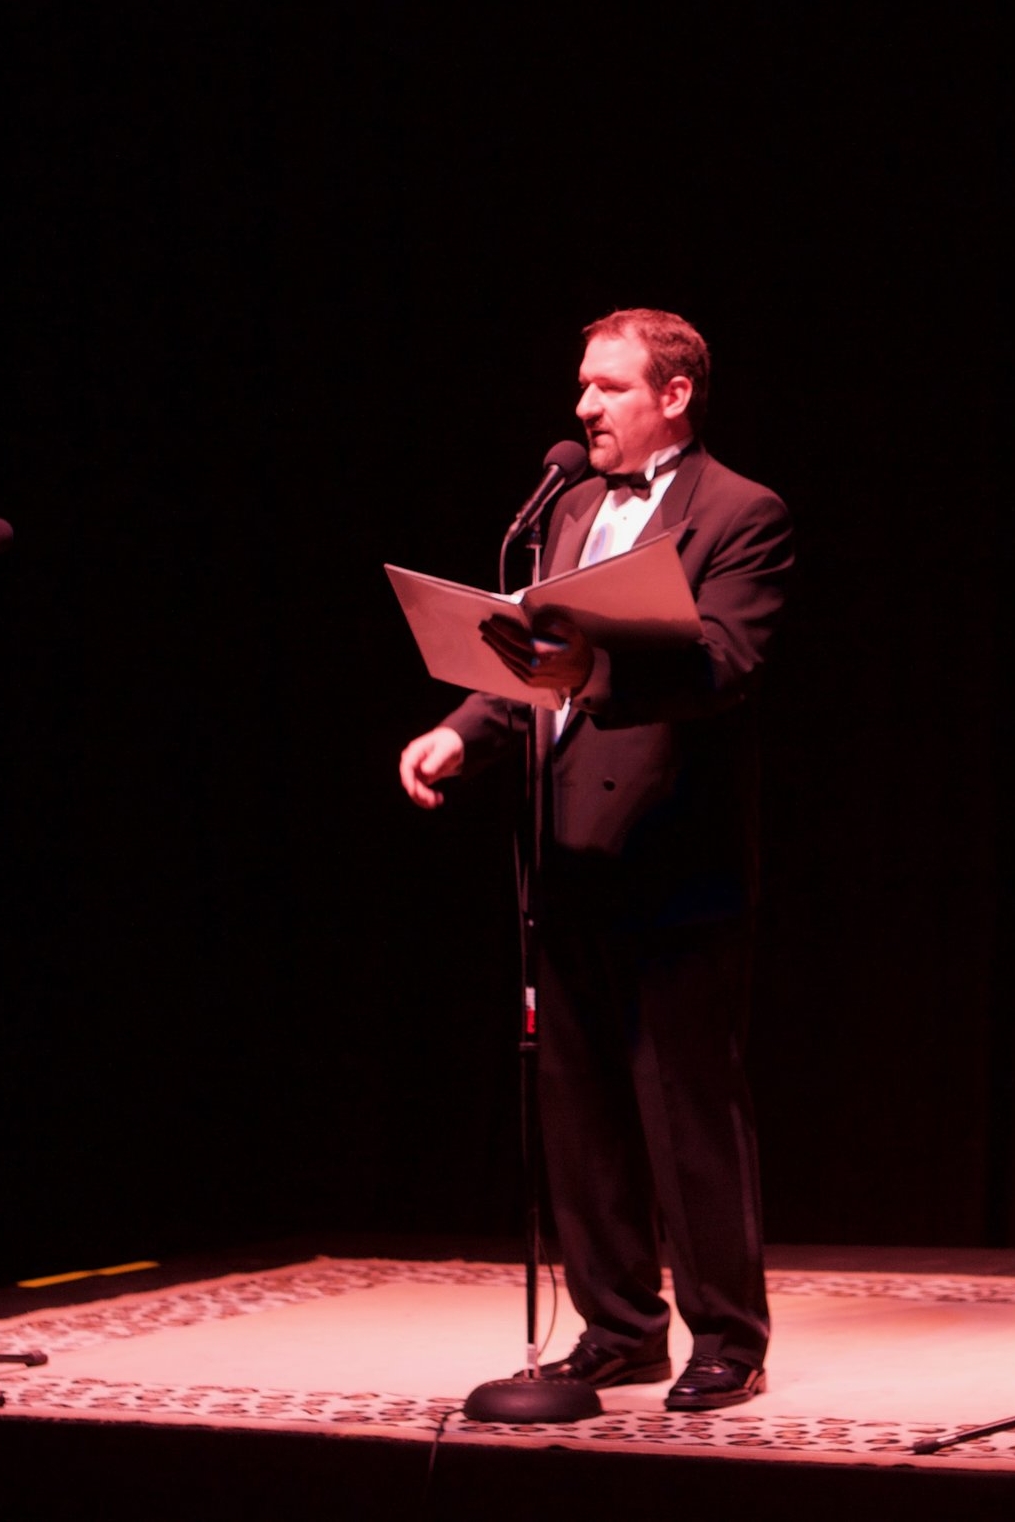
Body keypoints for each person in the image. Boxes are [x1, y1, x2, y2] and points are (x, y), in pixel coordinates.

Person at [398, 309, 791, 1411]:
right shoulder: (567, 509)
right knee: (580, 1104)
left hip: (678, 849)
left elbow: (728, 660)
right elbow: (524, 649)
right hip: (565, 842)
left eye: (609, 388)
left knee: (685, 1105)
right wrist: (463, 733)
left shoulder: (742, 511)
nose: (584, 408)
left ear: (673, 396)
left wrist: (594, 666)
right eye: (583, 387)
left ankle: (729, 1336)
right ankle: (619, 1325)